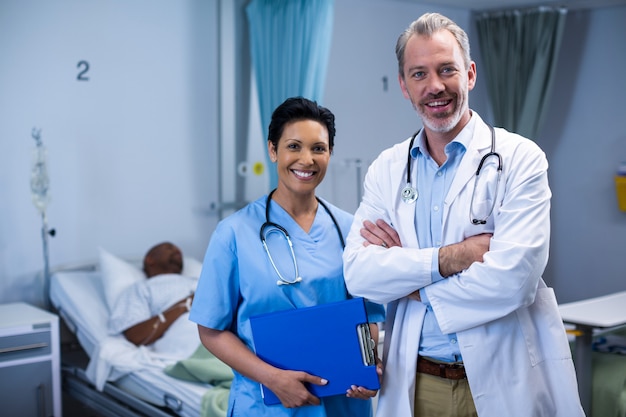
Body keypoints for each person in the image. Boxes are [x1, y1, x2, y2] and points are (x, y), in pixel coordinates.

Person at [342, 12, 585, 417]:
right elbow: (360, 273)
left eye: (446, 70)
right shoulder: (387, 168)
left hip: (503, 381)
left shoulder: (520, 159)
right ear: (404, 85)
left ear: (469, 74)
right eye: (419, 74)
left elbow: (513, 282)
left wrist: (408, 284)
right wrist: (452, 258)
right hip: (416, 385)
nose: (434, 86)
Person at [189, 96, 385, 416]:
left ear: (330, 153)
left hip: (342, 402)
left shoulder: (351, 229)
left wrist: (367, 365)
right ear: (272, 150)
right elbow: (210, 330)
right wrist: (273, 378)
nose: (306, 159)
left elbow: (368, 318)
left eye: (318, 148)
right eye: (294, 146)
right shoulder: (233, 233)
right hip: (267, 405)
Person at [109, 242, 196, 346]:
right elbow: (136, 335)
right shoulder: (141, 289)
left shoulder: (199, 281)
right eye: (169, 248)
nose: (177, 251)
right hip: (191, 335)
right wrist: (185, 305)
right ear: (150, 260)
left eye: (179, 251)